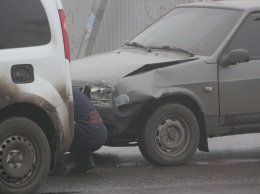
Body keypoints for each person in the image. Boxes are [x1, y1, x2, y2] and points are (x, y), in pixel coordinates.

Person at [50, 87, 107, 175]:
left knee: (50, 125)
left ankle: (58, 165)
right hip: (100, 132)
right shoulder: (69, 89)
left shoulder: (55, 92)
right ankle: (85, 161)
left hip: (88, 133)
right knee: (77, 123)